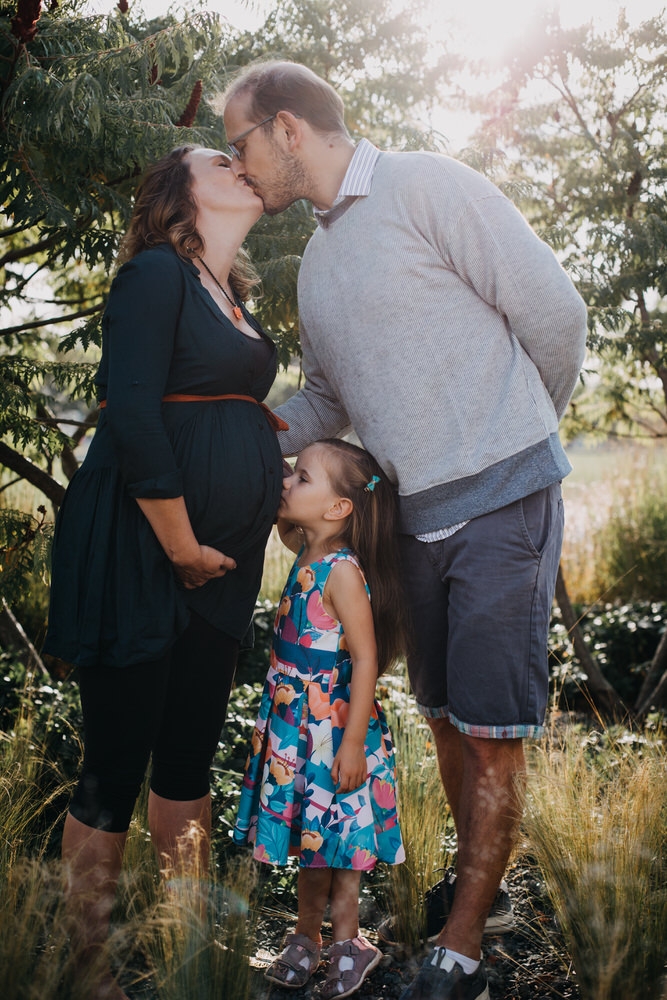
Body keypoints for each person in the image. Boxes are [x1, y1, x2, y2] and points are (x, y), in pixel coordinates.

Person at [221, 62, 588, 1000]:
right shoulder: (316, 263)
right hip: (412, 524)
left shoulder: (428, 185)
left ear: (289, 128)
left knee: (493, 727)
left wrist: (509, 432)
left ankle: (461, 948)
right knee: (442, 720)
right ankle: (482, 889)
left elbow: (553, 314)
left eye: (241, 143)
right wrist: (233, 438)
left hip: (504, 500)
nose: (238, 164)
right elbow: (330, 399)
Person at [42, 144, 285, 1000]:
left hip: (219, 571)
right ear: (179, 195)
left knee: (186, 761)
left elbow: (232, 417)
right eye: (220, 158)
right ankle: (89, 968)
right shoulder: (154, 276)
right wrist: (182, 545)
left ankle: (189, 956)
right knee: (114, 764)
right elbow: (135, 418)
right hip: (143, 553)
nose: (242, 162)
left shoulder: (238, 300)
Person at [233, 439, 406, 999]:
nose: (287, 483)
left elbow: (366, 658)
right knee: (312, 837)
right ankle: (307, 937)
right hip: (292, 725)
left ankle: (351, 944)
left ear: (339, 509)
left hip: (332, 727)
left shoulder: (342, 573)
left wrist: (353, 743)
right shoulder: (304, 545)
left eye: (302, 477)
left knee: (339, 840)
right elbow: (275, 501)